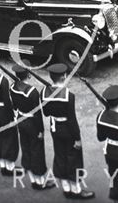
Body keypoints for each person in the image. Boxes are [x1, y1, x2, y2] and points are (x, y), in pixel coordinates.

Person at [41, 63, 94, 199]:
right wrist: (77, 138)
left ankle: (66, 188)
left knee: (60, 156)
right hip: (67, 130)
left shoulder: (44, 92)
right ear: (64, 76)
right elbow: (72, 119)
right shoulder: (68, 95)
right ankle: (75, 190)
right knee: (73, 159)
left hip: (55, 128)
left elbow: (46, 113)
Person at [10, 62, 54, 190]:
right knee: (37, 151)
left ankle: (32, 177)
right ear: (28, 74)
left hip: (20, 119)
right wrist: (40, 130)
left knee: (26, 147)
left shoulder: (12, 87)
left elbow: (14, 106)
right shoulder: (32, 92)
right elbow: (37, 113)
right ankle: (39, 182)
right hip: (32, 123)